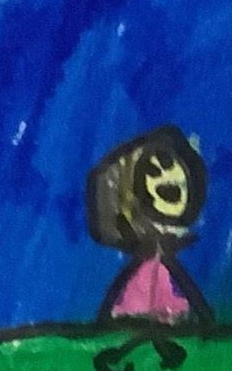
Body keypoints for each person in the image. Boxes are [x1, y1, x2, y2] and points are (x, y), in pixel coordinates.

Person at [86, 125, 212, 324]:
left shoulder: (170, 255)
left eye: (167, 163)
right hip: (133, 317)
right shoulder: (143, 256)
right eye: (152, 170)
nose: (164, 176)